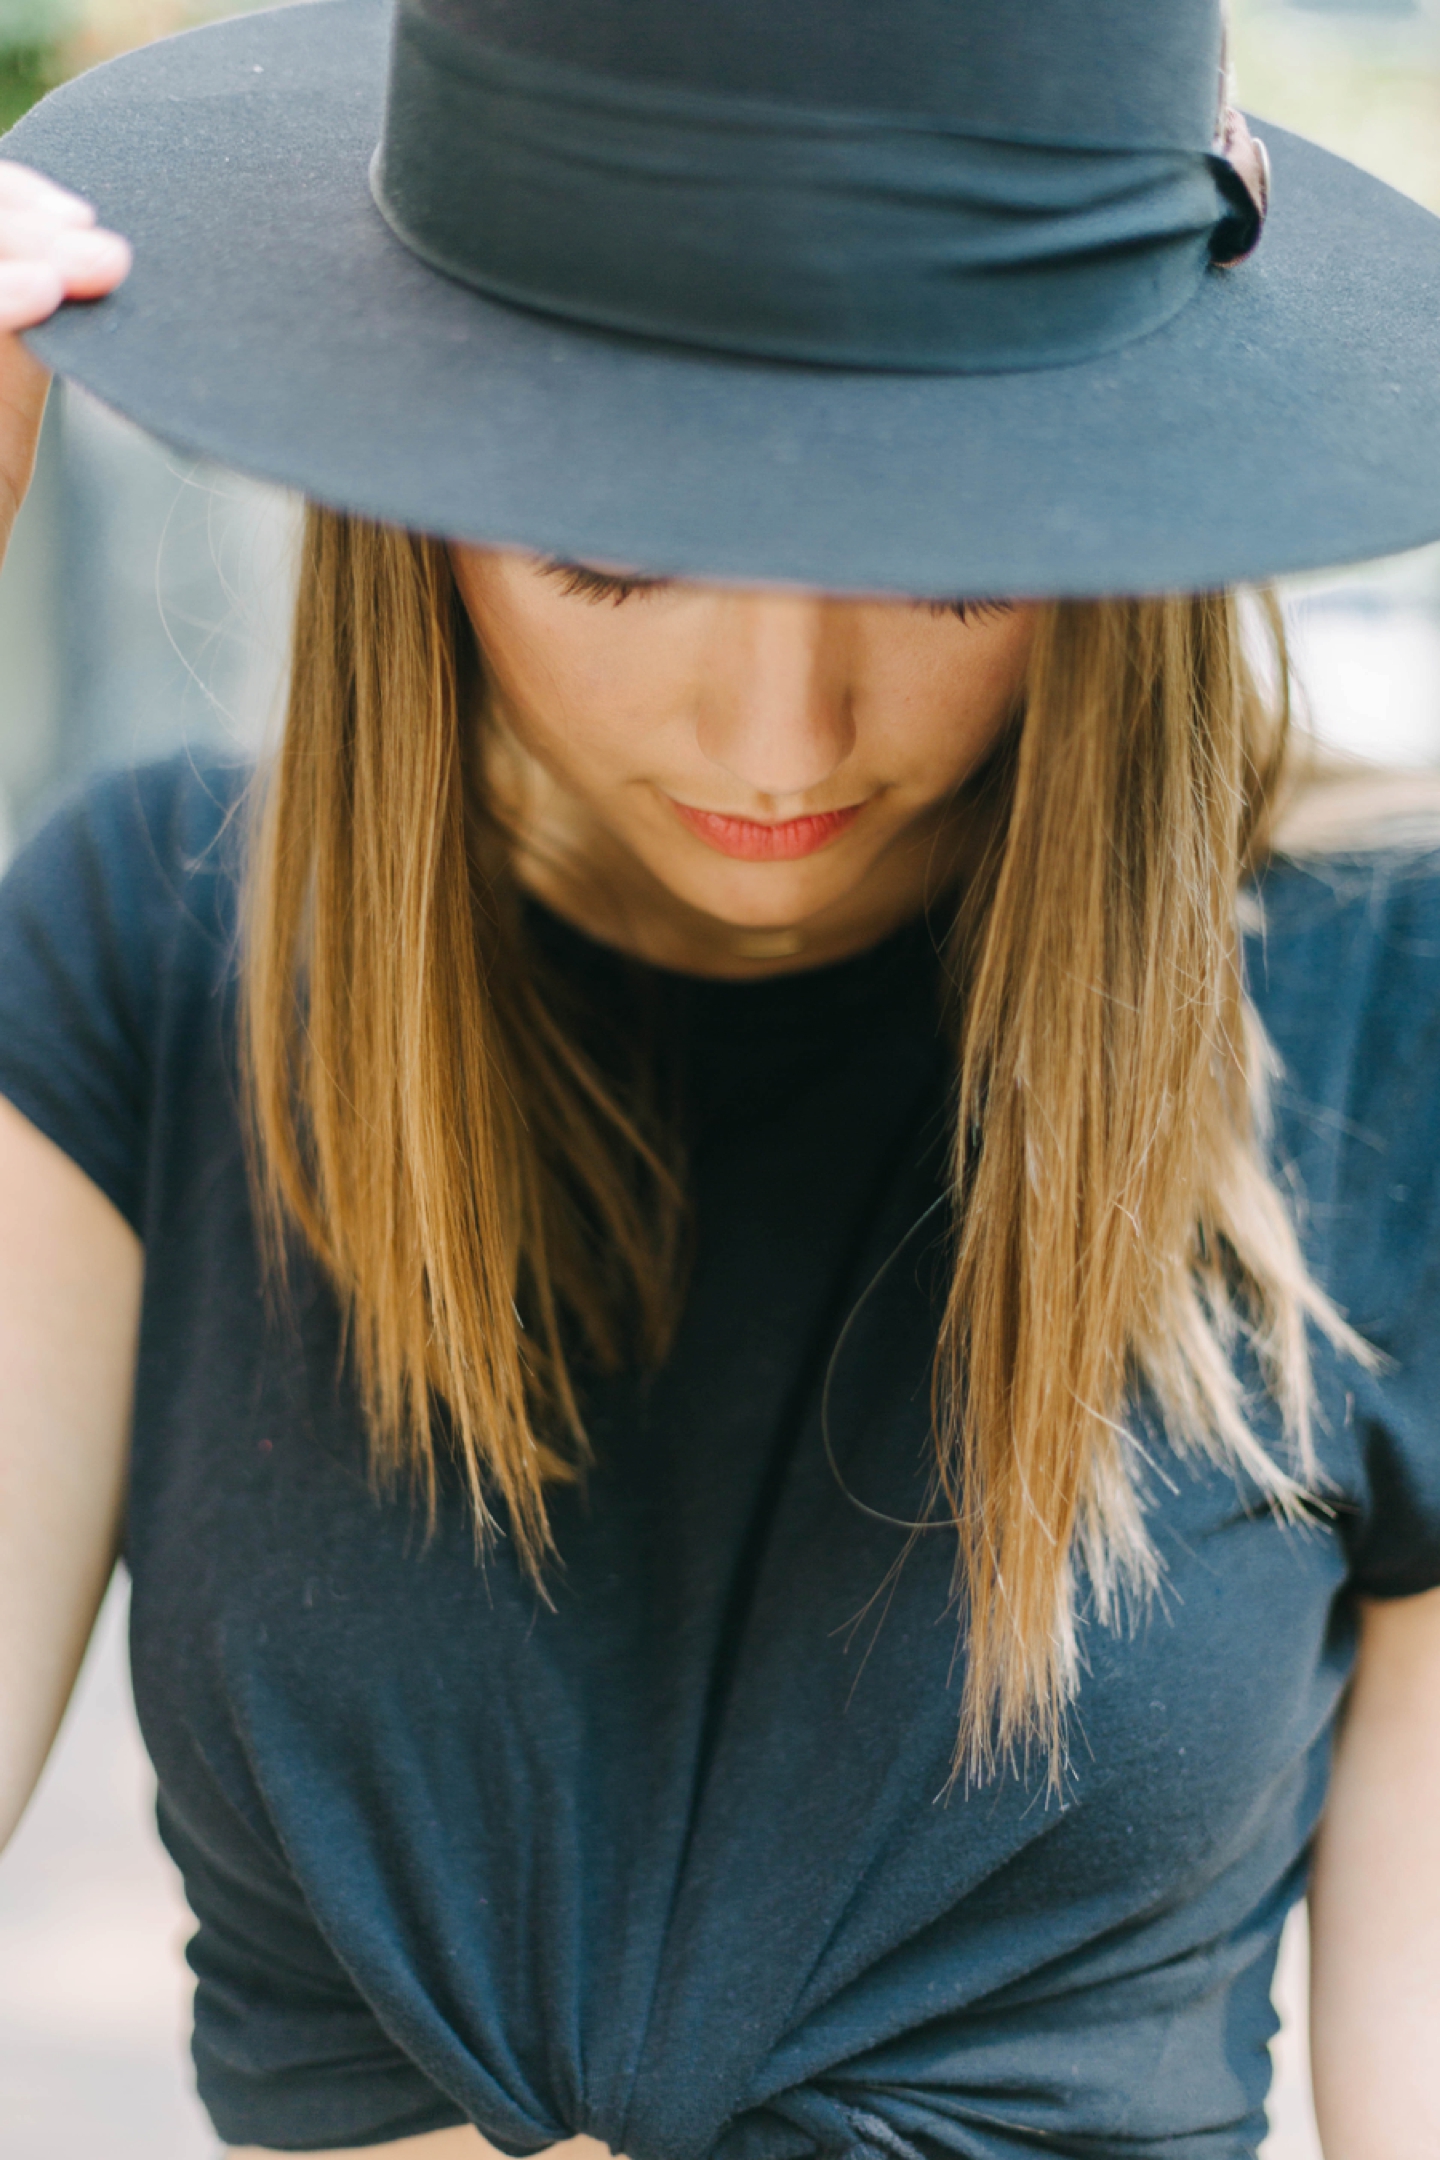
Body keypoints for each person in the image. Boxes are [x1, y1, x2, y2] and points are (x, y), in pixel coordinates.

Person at [1, 3, 1439, 2157]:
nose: (783, 736)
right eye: (618, 549)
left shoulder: (1379, 1010)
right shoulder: (155, 958)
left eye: (947, 559)